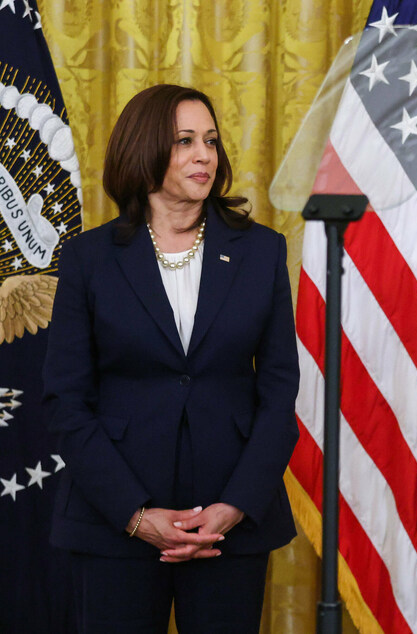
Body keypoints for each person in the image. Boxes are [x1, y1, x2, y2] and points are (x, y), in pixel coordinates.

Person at [42, 84, 300, 632]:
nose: (204, 155)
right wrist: (136, 517)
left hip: (230, 520)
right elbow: (66, 400)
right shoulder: (89, 258)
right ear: (143, 150)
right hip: (113, 517)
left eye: (209, 141)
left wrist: (235, 506)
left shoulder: (261, 251)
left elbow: (279, 393)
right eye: (184, 141)